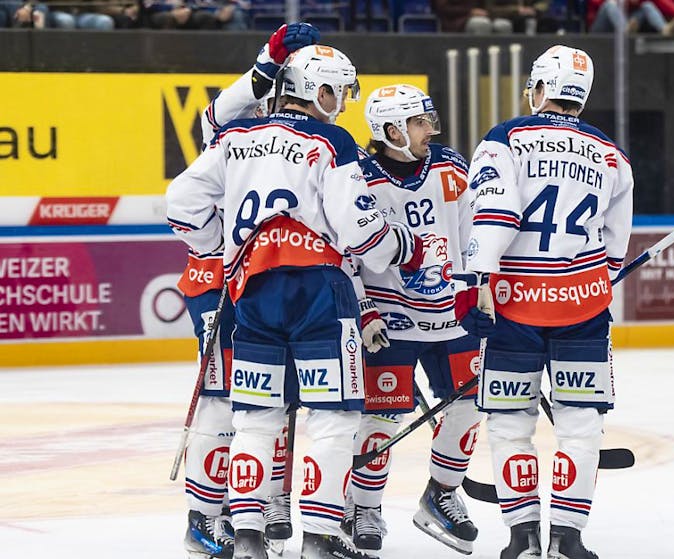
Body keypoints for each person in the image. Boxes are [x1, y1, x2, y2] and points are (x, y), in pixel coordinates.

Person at [166, 43, 424, 559]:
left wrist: (221, 245)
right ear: (319, 91)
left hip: (252, 293)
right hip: (318, 294)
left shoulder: (234, 136)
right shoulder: (330, 140)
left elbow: (181, 203)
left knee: (255, 419)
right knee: (333, 419)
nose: (345, 103)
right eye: (341, 91)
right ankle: (321, 540)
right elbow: (362, 236)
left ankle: (246, 539)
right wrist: (405, 246)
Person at [457, 45, 633, 559]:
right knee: (581, 426)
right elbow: (616, 248)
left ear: (537, 88)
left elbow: (494, 214)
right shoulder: (612, 154)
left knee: (511, 424)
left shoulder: (506, 138)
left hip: (513, 309)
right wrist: (587, 284)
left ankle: (523, 537)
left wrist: (475, 282)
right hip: (582, 310)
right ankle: (568, 539)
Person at [177, 23, 321, 559]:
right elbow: (212, 119)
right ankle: (203, 518)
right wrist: (263, 63)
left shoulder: (296, 137)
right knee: (222, 401)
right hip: (221, 283)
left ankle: (264, 502)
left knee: (275, 398)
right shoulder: (234, 129)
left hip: (270, 282)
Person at [338, 84, 484, 556]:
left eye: (427, 121)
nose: (429, 130)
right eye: (419, 122)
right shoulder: (358, 177)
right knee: (381, 416)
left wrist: (477, 291)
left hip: (452, 316)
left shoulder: (450, 166)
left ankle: (441, 493)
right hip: (390, 320)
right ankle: (363, 506)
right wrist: (363, 309)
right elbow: (346, 252)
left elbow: (472, 233)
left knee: (469, 403)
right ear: (392, 129)